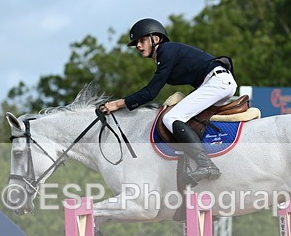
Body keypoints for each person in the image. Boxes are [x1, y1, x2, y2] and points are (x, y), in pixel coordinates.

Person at [100, 18, 237, 183]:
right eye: (136, 42)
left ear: (156, 39)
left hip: (217, 82)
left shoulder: (166, 50)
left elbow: (150, 93)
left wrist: (116, 104)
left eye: (142, 40)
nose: (138, 46)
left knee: (171, 118)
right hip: (218, 82)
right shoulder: (166, 55)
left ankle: (205, 164)